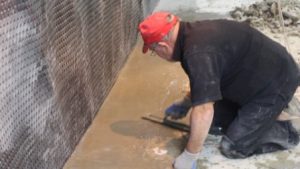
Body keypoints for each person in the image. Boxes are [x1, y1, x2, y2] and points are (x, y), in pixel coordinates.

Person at [138, 11, 300, 169]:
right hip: (258, 74)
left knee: (233, 146)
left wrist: (190, 155)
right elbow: (207, 77)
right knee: (213, 124)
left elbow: (203, 109)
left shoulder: (197, 52)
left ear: (162, 46)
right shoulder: (192, 36)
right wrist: (187, 101)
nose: (157, 54)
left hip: (277, 82)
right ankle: (265, 113)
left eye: (153, 51)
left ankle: (285, 131)